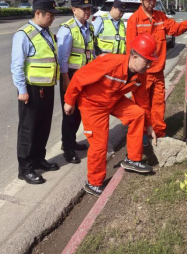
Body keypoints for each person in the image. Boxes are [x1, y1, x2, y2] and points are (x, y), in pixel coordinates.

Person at [63, 33, 159, 197]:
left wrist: (149, 125)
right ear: (135, 56)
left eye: (151, 61)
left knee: (137, 114)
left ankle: (133, 159)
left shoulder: (140, 74)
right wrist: (69, 101)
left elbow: (143, 100)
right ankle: (93, 184)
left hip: (113, 99)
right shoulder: (111, 62)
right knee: (99, 145)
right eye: (147, 61)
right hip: (93, 104)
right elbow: (79, 77)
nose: (149, 65)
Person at [126, 0, 187, 139]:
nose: (151, 3)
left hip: (158, 71)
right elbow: (130, 50)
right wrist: (131, 74)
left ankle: (159, 133)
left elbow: (175, 29)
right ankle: (142, 135)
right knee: (142, 106)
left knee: (159, 104)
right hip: (142, 74)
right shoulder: (134, 20)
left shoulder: (160, 17)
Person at [11, 0, 61, 184]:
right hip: (31, 89)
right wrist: (21, 90)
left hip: (47, 87)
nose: (53, 18)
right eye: (50, 15)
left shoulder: (46, 32)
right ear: (38, 13)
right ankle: (25, 169)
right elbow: (17, 65)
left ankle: (39, 159)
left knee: (43, 126)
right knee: (28, 129)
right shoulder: (24, 34)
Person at [57, 0, 96, 164]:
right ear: (74, 10)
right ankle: (67, 148)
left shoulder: (90, 27)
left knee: (80, 111)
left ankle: (71, 141)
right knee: (70, 113)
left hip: (86, 76)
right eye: (83, 9)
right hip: (71, 76)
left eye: (89, 9)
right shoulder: (67, 29)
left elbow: (91, 52)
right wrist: (66, 80)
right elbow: (62, 59)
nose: (87, 12)